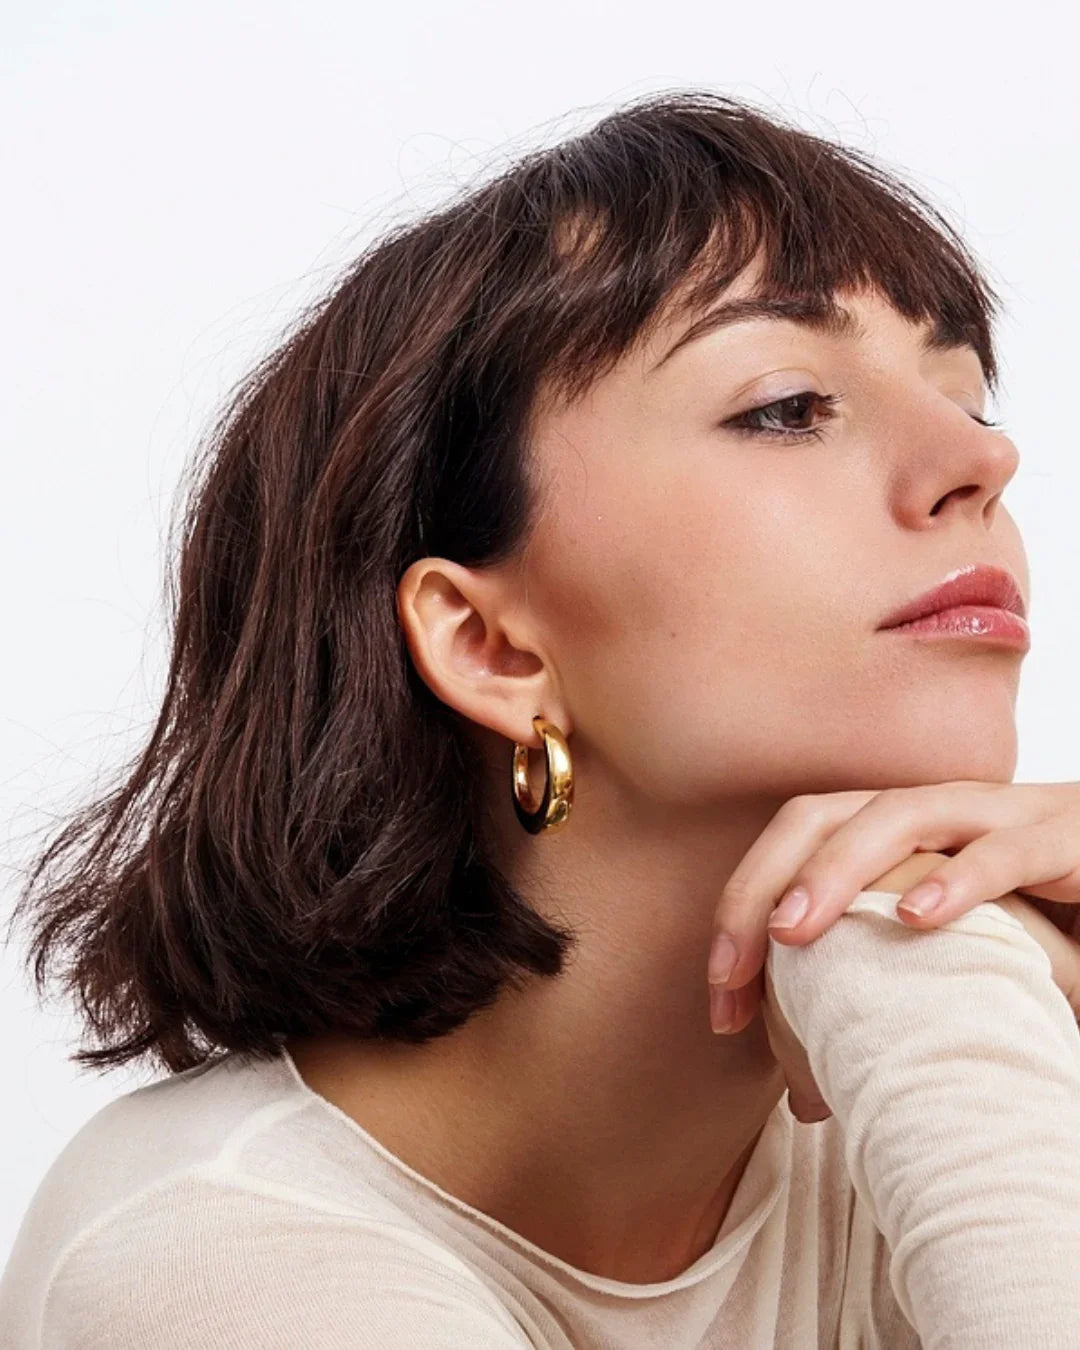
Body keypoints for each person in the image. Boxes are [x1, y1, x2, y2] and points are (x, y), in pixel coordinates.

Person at [3, 88, 1080, 1348]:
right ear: (492, 646)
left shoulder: (973, 1069)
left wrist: (930, 974)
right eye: (787, 406)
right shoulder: (205, 1263)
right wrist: (932, 973)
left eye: (970, 397)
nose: (982, 461)